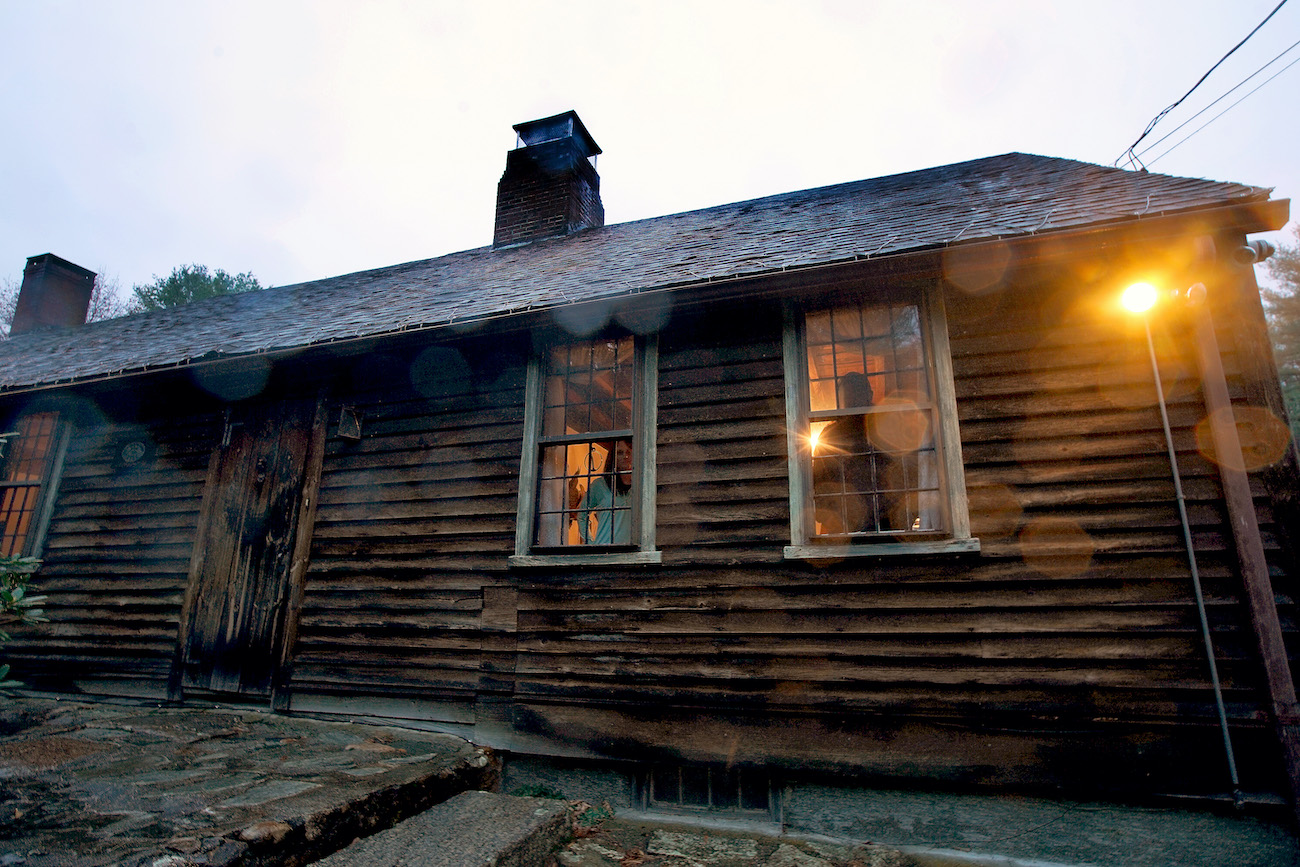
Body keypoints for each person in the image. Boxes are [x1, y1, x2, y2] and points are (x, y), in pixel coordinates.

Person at [812, 372, 895, 535]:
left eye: (856, 392)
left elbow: (903, 472)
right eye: (848, 394)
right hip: (844, 524)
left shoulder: (886, 429)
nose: (852, 399)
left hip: (885, 520)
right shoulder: (830, 435)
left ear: (868, 395)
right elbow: (818, 480)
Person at [579, 439, 633, 545]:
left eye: (628, 452)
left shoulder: (640, 485)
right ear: (613, 457)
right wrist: (590, 543)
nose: (625, 456)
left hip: (632, 550)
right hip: (605, 549)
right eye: (620, 452)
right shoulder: (600, 485)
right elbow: (582, 515)